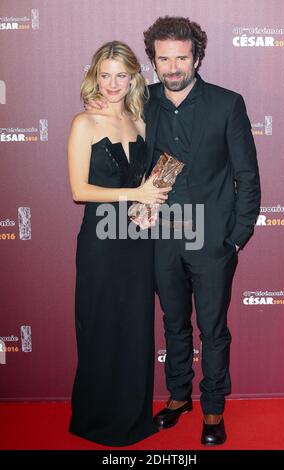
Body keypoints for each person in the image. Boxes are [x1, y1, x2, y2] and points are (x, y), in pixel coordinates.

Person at [85, 16, 261, 446]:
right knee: (174, 323)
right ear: (153, 61)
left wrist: (234, 239)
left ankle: (214, 407)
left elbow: (248, 177)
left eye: (182, 57)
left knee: (213, 329)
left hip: (213, 242)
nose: (173, 67)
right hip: (161, 240)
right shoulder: (143, 106)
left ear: (197, 56)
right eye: (164, 59)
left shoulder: (227, 103)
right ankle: (179, 396)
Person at [67, 40, 171, 446]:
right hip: (100, 244)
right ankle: (96, 419)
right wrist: (137, 195)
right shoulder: (84, 123)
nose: (113, 84)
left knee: (135, 329)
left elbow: (151, 182)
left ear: (134, 78)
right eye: (106, 75)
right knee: (101, 326)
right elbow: (79, 190)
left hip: (137, 241)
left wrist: (153, 199)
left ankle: (133, 417)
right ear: (95, 75)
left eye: (121, 75)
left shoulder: (140, 122)